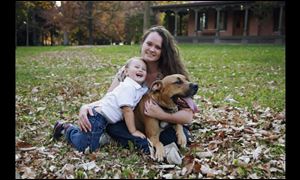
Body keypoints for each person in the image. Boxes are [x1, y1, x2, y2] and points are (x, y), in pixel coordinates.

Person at [78, 26, 198, 155]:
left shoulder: (170, 74)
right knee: (113, 126)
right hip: (133, 123)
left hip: (168, 120)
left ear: (164, 51)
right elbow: (110, 98)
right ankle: (151, 147)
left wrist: (160, 115)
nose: (152, 49)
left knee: (173, 136)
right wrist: (86, 106)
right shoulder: (130, 69)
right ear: (142, 44)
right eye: (149, 44)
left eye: (157, 47)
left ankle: (147, 145)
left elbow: (188, 117)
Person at [53, 57, 148, 153]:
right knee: (86, 147)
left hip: (105, 120)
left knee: (92, 141)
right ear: (126, 72)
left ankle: (85, 134)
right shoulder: (128, 87)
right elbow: (127, 110)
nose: (140, 70)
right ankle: (67, 129)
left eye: (144, 69)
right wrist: (133, 131)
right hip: (98, 117)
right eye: (137, 67)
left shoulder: (137, 88)